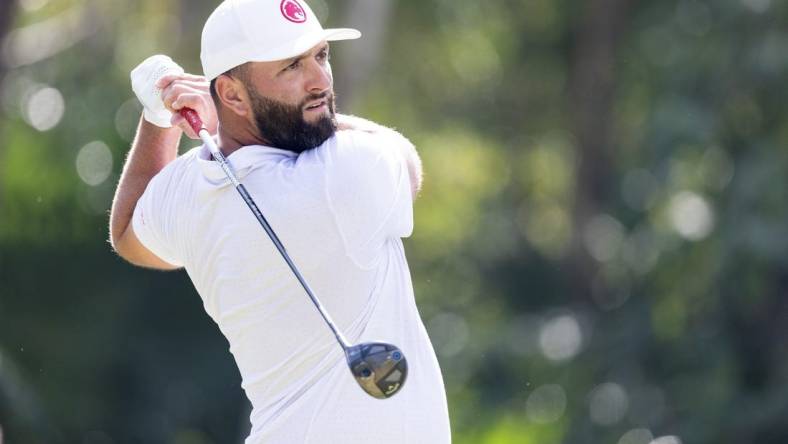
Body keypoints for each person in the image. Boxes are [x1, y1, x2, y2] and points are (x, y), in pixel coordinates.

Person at [108, 0, 451, 442]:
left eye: (321, 56)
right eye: (292, 67)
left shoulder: (187, 192)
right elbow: (408, 161)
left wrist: (158, 118)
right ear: (231, 93)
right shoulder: (344, 172)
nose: (321, 80)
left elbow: (126, 233)